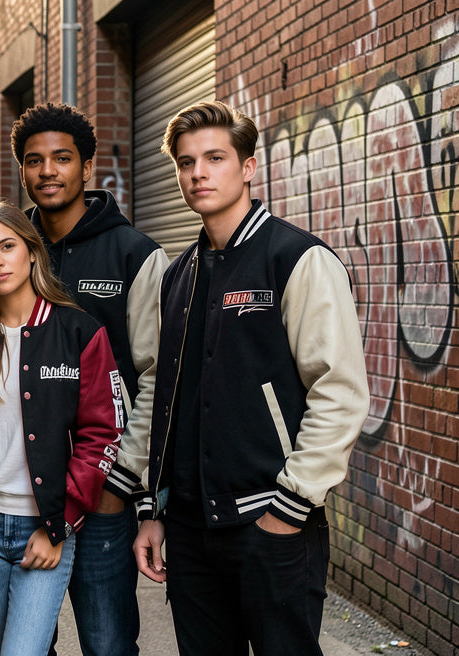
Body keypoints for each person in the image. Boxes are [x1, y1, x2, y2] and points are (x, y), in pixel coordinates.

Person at [132, 100, 369, 655]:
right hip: (190, 530)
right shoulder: (178, 275)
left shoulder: (296, 259)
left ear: (248, 166)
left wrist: (290, 507)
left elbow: (339, 392)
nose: (199, 173)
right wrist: (154, 510)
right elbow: (168, 400)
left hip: (272, 521)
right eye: (186, 163)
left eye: (215, 158)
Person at [11, 102, 167, 656]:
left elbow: (156, 378)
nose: (48, 171)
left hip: (102, 495)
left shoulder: (135, 255)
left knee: (108, 644)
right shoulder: (11, 253)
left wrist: (121, 481)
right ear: (23, 171)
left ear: (85, 166)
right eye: (34, 161)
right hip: (24, 494)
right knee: (29, 644)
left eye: (61, 158)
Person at [0, 201, 123, 656]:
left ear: (31, 251)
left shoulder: (79, 331)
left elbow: (101, 435)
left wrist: (61, 523)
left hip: (44, 524)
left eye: (7, 246)